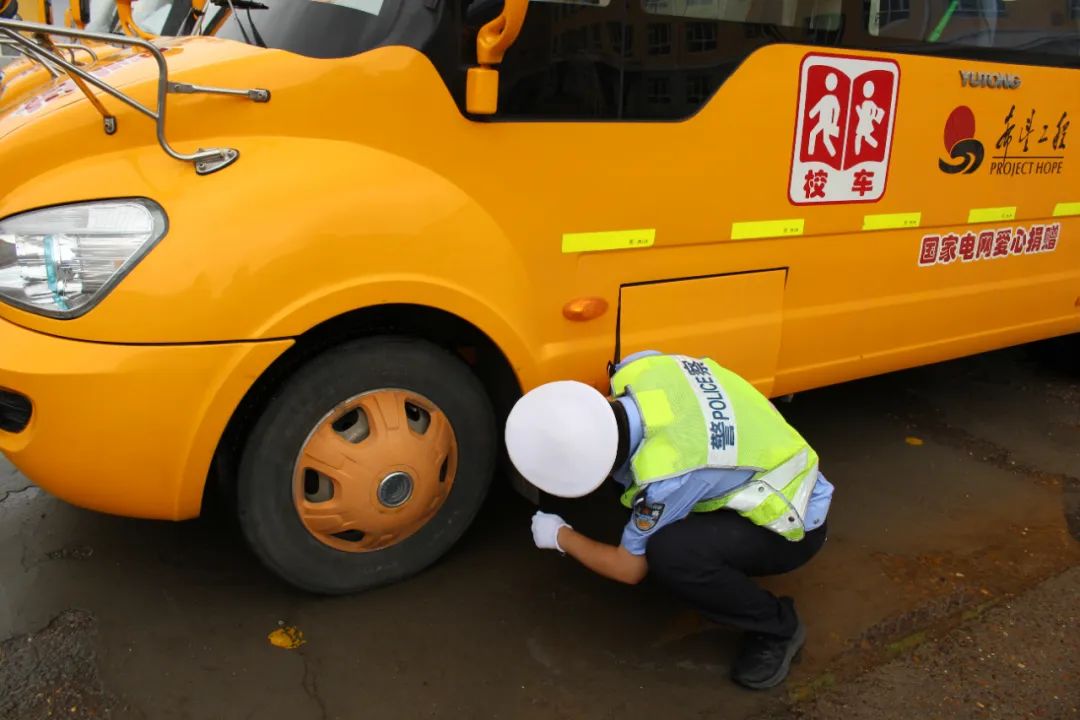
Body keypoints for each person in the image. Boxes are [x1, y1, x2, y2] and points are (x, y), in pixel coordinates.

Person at [504, 350, 833, 690]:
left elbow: (628, 570)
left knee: (672, 554)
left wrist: (560, 536)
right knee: (632, 509)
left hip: (792, 522)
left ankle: (777, 626)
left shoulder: (666, 477)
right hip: (771, 460)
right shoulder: (641, 366)